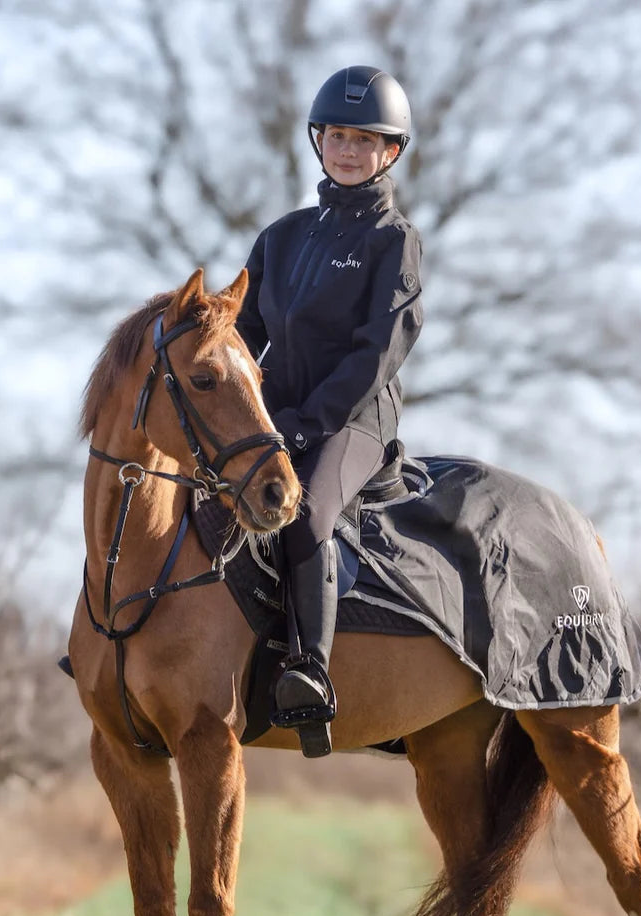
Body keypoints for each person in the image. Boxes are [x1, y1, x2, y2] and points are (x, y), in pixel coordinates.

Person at [236, 65, 423, 758]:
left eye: (364, 139)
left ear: (390, 152)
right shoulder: (281, 239)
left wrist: (306, 423)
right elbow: (242, 335)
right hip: (275, 415)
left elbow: (379, 354)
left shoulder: (393, 242)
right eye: (337, 136)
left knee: (306, 510)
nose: (348, 150)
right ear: (319, 142)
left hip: (353, 423)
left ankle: (310, 670)